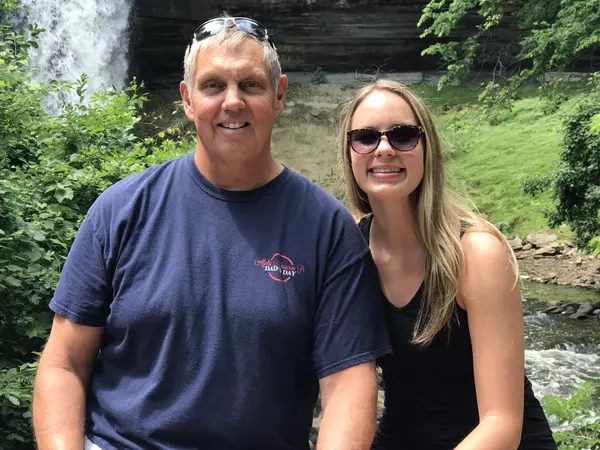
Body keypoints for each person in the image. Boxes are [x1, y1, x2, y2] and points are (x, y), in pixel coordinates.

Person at [33, 16, 391, 450]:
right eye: (213, 86)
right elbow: (64, 364)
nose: (232, 101)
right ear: (187, 99)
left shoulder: (327, 228)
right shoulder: (120, 210)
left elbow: (348, 384)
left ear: (280, 95)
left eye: (251, 85)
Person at [340, 79, 557, 450]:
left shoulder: (476, 254)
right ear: (350, 153)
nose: (385, 149)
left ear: (428, 149)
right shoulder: (349, 251)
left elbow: (502, 424)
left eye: (403, 136)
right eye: (366, 137)